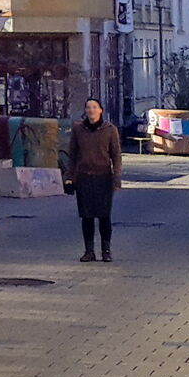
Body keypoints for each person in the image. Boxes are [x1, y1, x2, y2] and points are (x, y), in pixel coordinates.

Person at [65, 98, 123, 262]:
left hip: (103, 177)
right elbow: (73, 155)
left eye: (94, 107)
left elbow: (116, 156)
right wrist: (69, 177)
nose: (91, 110)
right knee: (87, 216)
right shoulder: (78, 129)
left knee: (104, 216)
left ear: (101, 110)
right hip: (84, 178)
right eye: (88, 107)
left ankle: (106, 250)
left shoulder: (110, 130)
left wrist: (116, 178)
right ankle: (89, 251)